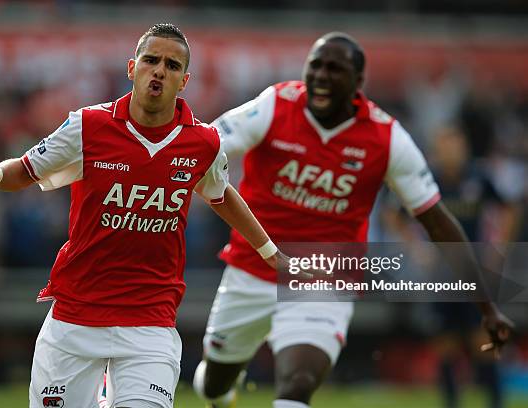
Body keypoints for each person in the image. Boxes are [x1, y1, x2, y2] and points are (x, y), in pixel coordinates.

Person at [0, 23, 286, 408]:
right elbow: (23, 171)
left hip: (150, 320)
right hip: (76, 316)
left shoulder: (203, 142)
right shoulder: (87, 126)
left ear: (184, 81)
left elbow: (221, 195)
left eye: (171, 65)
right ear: (131, 67)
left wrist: (270, 251)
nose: (159, 71)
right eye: (151, 60)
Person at [192, 32, 513, 408]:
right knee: (213, 384)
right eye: (315, 66)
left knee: (297, 383)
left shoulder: (386, 138)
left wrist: (486, 306)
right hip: (252, 267)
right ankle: (220, 390)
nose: (322, 76)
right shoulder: (275, 105)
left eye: (335, 69)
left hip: (326, 275)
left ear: (358, 83)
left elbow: (437, 221)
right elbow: (207, 146)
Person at [428, 126, 516, 408]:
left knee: (483, 341)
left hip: (476, 270)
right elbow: (394, 213)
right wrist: (416, 248)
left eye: (455, 145)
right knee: (446, 344)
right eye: (444, 147)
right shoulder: (428, 180)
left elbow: (510, 208)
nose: (451, 153)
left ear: (464, 148)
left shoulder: (480, 177)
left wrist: (499, 246)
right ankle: (451, 402)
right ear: (436, 152)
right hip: (442, 271)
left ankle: (495, 401)